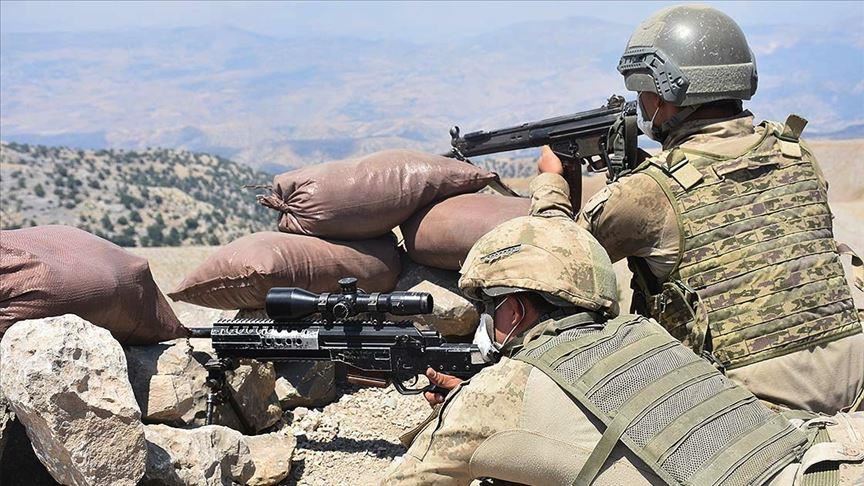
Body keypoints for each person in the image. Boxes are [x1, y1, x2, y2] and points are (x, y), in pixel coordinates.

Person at [383, 176, 864, 485]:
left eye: (489, 306)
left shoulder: (499, 391)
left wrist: (468, 410)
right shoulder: (648, 338)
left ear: (513, 309)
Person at [537, 4, 863, 414]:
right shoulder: (795, 155)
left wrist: (551, 182)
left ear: (665, 93)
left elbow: (551, 267)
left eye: (643, 91)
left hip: (750, 416)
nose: (641, 102)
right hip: (852, 387)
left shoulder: (647, 192)